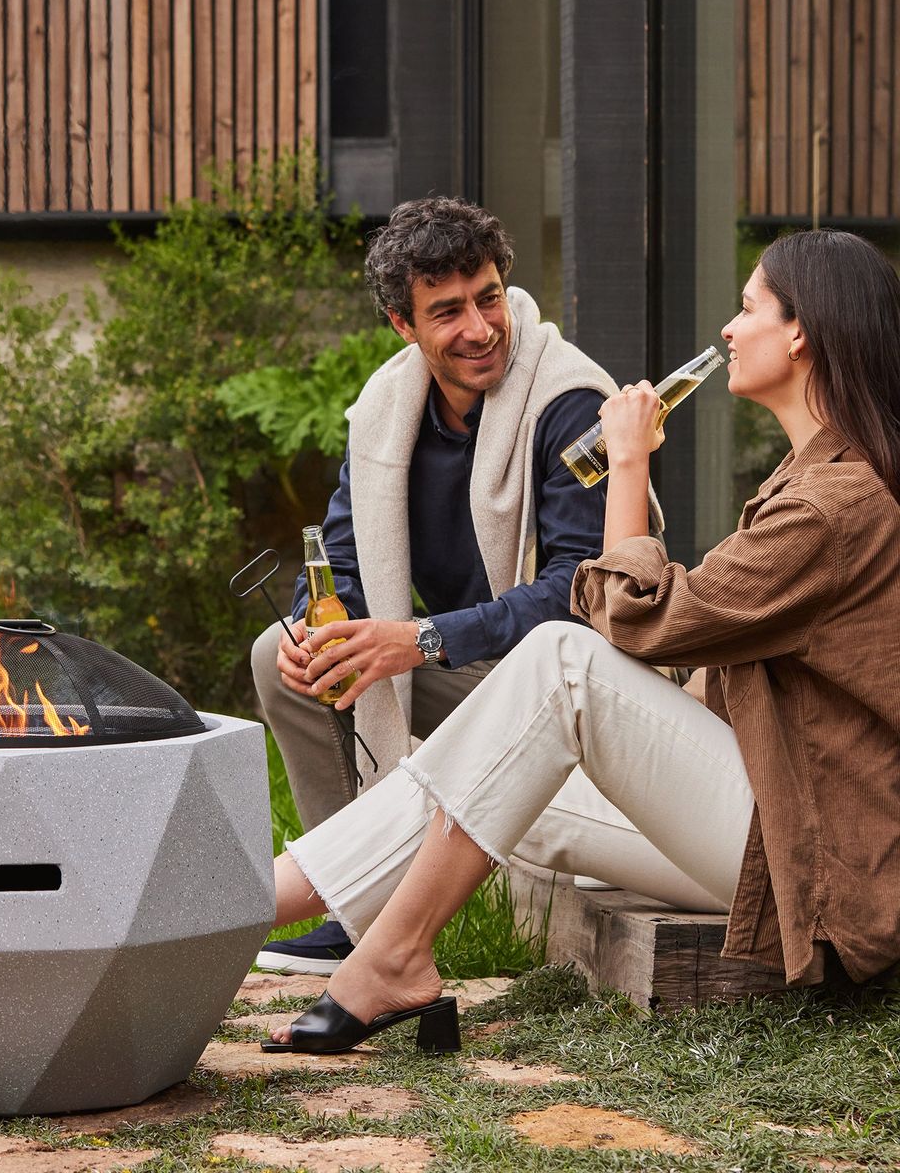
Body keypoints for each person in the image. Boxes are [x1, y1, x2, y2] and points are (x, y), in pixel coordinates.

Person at [261, 227, 900, 1054]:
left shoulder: (830, 505)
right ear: (403, 326)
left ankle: (322, 932)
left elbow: (626, 623)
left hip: (817, 860)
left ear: (802, 332)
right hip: (777, 828)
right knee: (483, 778)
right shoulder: (815, 478)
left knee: (560, 664)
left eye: (747, 309)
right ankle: (276, 912)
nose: (729, 331)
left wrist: (627, 464)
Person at [254, 196, 671, 976]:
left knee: (393, 653)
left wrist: (419, 641)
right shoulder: (388, 408)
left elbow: (580, 596)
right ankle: (358, 912)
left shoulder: (568, 400)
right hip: (473, 664)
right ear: (402, 326)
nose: (480, 328)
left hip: (569, 676)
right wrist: (313, 632)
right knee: (283, 659)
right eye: (447, 312)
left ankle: (353, 912)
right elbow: (341, 562)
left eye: (488, 297)